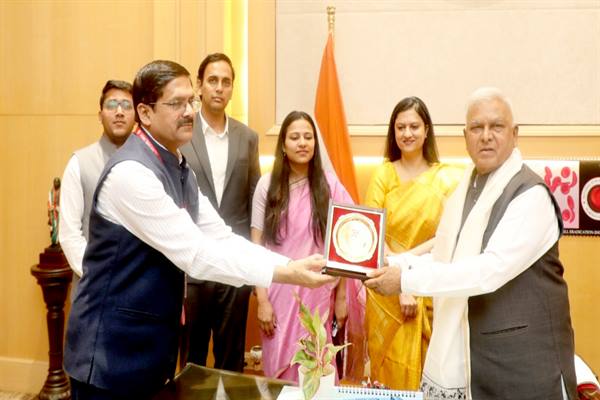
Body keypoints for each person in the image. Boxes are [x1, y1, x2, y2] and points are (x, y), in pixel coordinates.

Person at [63, 60, 334, 400]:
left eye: (190, 101)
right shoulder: (130, 174)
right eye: (176, 103)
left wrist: (289, 264)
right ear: (145, 113)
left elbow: (221, 236)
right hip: (109, 354)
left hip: (149, 349)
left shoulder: (178, 166)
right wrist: (286, 273)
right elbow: (196, 254)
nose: (190, 111)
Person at [365, 87, 576, 399]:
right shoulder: (466, 188)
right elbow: (446, 256)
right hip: (477, 365)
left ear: (515, 134)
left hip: (524, 368)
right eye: (477, 127)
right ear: (465, 136)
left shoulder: (530, 194)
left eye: (496, 126)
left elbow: (487, 271)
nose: (486, 136)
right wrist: (395, 263)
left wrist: (406, 280)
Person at [363, 97, 463, 390]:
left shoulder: (447, 178)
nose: (407, 133)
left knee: (430, 374)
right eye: (400, 127)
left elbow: (446, 237)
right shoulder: (383, 174)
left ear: (427, 129)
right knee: (389, 380)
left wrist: (407, 273)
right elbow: (371, 232)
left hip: (429, 287)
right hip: (385, 292)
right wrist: (397, 279)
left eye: (414, 126)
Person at [250, 111, 352, 382]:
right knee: (280, 370)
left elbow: (344, 244)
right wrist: (262, 300)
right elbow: (256, 246)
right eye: (294, 137)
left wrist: (342, 297)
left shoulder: (329, 186)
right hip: (278, 293)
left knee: (317, 367)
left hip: (318, 294)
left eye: (308, 137)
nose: (302, 143)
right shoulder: (267, 185)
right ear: (283, 144)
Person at [179, 53, 259, 372]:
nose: (219, 87)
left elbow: (253, 201)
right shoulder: (181, 133)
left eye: (226, 82)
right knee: (192, 359)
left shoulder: (247, 138)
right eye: (212, 80)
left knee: (231, 359)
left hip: (233, 265)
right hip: (192, 265)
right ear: (199, 86)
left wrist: (253, 264)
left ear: (232, 89)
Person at [59, 80, 135, 296]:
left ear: (137, 115)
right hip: (93, 288)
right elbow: (69, 234)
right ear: (100, 115)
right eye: (111, 105)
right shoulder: (79, 163)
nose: (119, 112)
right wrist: (98, 273)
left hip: (139, 288)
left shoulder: (151, 164)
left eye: (126, 105)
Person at [48, 177, 61, 246]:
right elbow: (49, 202)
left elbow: (63, 203)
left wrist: (58, 208)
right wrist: (51, 208)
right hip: (53, 212)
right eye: (55, 183)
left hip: (59, 212)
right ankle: (54, 242)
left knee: (58, 227)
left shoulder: (62, 193)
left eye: (57, 183)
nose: (56, 184)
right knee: (53, 226)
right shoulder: (51, 192)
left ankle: (57, 241)